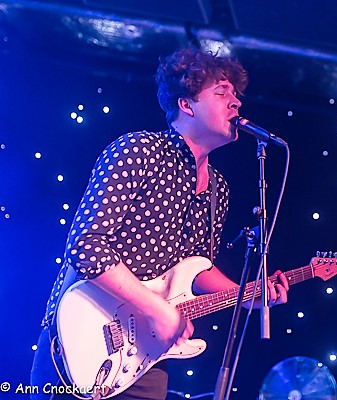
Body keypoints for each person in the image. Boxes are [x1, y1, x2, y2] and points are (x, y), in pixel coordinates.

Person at [30, 46, 290, 400]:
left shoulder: (218, 189)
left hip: (146, 358)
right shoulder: (138, 151)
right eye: (222, 93)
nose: (236, 103)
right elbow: (85, 245)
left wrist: (245, 294)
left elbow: (196, 267)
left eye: (236, 95)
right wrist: (156, 309)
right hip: (81, 339)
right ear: (186, 105)